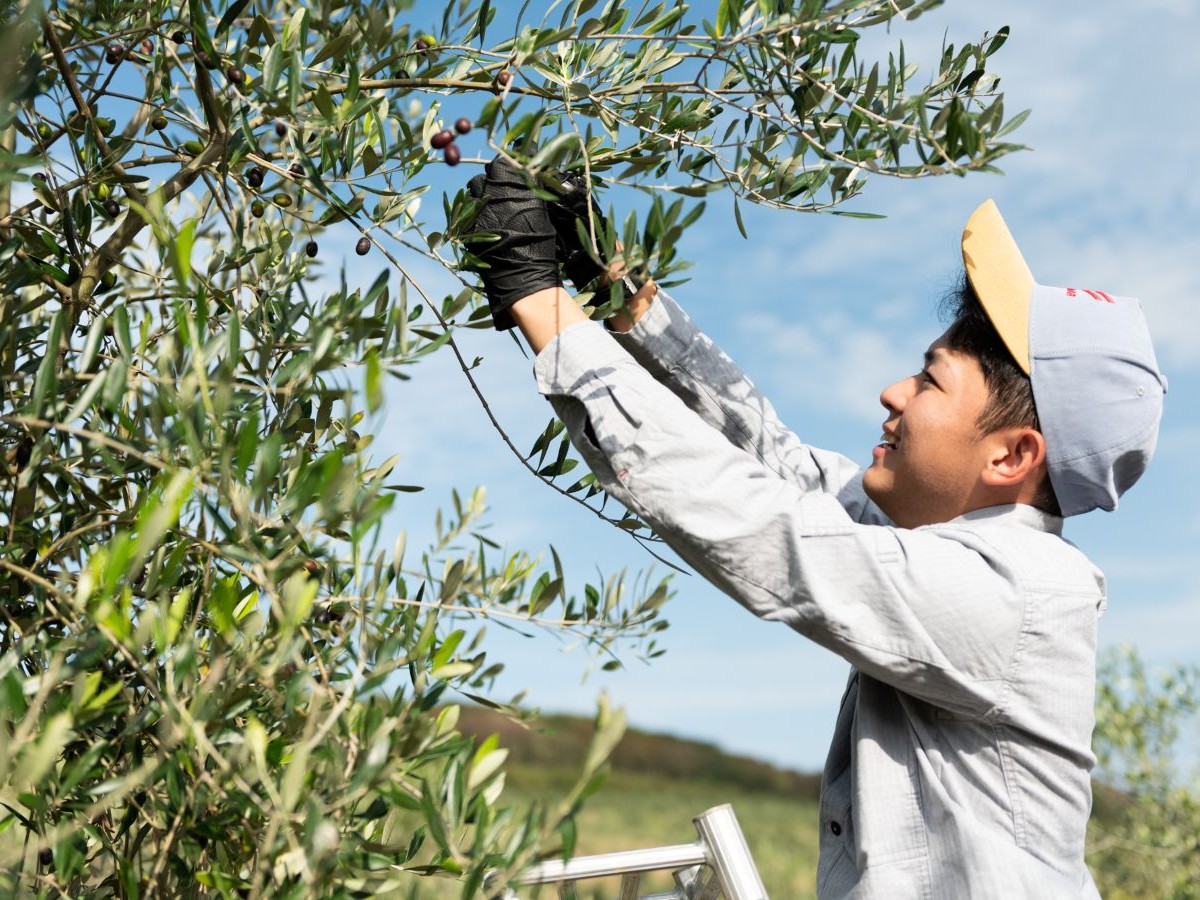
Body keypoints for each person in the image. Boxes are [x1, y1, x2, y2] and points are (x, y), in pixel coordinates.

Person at [463, 158, 1166, 898]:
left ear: (1012, 455)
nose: (892, 392)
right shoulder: (949, 554)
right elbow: (783, 467)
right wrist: (623, 292)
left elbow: (769, 531)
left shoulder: (1015, 594)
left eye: (930, 381)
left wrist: (540, 305)